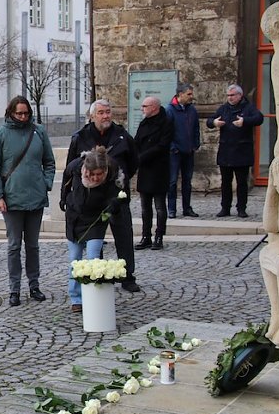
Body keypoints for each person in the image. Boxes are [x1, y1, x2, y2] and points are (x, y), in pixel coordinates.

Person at [0, 96, 56, 306]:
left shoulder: (39, 132)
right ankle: (14, 288)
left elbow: (49, 162)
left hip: (35, 198)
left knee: (33, 246)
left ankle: (34, 285)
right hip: (12, 199)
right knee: (14, 246)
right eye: (19, 113)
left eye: (26, 113)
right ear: (11, 113)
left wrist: (46, 183)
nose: (23, 117)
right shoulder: (1, 133)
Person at [68, 99, 141, 292]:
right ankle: (97, 274)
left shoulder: (122, 136)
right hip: (89, 200)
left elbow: (133, 163)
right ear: (92, 116)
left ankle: (127, 276)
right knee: (95, 242)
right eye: (101, 112)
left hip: (116, 196)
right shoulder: (81, 137)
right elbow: (71, 168)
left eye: (108, 112)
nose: (106, 116)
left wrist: (119, 183)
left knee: (124, 235)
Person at [60, 146, 123, 313]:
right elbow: (65, 181)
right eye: (92, 174)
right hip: (75, 217)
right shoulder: (75, 167)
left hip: (96, 219)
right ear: (86, 169)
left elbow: (119, 194)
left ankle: (92, 295)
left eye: (99, 175)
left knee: (93, 257)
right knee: (75, 259)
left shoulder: (113, 170)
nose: (95, 178)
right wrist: (64, 199)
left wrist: (114, 205)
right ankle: (76, 298)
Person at [206, 84, 264, 218]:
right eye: (228, 95)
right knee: (225, 182)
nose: (230, 98)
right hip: (226, 151)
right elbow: (209, 120)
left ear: (239, 95)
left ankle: (241, 208)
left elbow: (259, 118)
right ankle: (225, 208)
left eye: (232, 95)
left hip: (242, 151)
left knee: (242, 182)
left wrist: (245, 121)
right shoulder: (224, 108)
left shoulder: (248, 107)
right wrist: (214, 122)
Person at [133, 96, 174, 250]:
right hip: (145, 169)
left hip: (159, 168)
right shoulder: (144, 123)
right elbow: (136, 141)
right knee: (145, 207)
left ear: (154, 107)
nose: (142, 108)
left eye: (145, 106)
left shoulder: (166, 123)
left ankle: (159, 236)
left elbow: (162, 146)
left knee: (159, 206)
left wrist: (141, 157)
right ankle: (146, 236)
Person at [165, 83, 200, 219]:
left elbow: (196, 128)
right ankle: (172, 209)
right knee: (172, 182)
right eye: (189, 94)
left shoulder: (192, 110)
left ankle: (187, 208)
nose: (191, 97)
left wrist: (195, 144)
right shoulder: (170, 110)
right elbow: (167, 132)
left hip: (188, 151)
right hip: (175, 153)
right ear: (180, 95)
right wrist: (173, 147)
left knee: (187, 181)